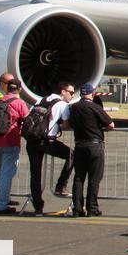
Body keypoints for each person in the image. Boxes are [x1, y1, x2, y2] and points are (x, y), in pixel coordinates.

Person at [25, 81, 76, 216]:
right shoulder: (62, 104)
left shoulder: (39, 101)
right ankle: (61, 185)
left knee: (35, 175)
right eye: (70, 92)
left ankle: (38, 207)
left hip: (32, 141)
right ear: (62, 92)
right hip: (47, 141)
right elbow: (66, 124)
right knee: (72, 155)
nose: (72, 95)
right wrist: (58, 127)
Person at [63, 83, 114, 217]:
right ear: (92, 94)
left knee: (79, 178)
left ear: (81, 94)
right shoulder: (94, 107)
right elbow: (110, 124)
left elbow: (68, 124)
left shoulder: (73, 108)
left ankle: (78, 208)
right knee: (94, 178)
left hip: (79, 144)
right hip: (94, 145)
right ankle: (92, 208)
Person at [0, 78, 29, 215]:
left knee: (0, 172)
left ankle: (2, 199)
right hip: (10, 140)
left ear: (7, 88)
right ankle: (1, 205)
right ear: (19, 89)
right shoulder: (19, 103)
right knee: (6, 174)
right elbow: (27, 121)